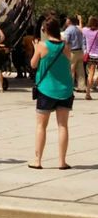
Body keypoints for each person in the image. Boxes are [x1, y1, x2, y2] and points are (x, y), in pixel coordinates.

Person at [29, 14, 74, 170]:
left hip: (46, 90)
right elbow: (70, 65)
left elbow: (33, 64)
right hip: (65, 90)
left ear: (45, 29)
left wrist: (35, 49)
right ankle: (62, 161)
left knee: (41, 126)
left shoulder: (42, 46)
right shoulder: (66, 46)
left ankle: (38, 160)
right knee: (63, 126)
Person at [63, 16, 87, 96]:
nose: (66, 21)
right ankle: (82, 87)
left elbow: (66, 41)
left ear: (69, 21)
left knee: (71, 70)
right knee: (81, 70)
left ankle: (70, 86)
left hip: (72, 52)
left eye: (67, 20)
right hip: (80, 51)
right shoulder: (78, 29)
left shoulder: (68, 30)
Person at [84, 15, 98, 98]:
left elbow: (80, 28)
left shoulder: (86, 31)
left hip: (91, 55)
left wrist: (80, 20)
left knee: (90, 74)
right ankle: (95, 82)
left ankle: (88, 93)